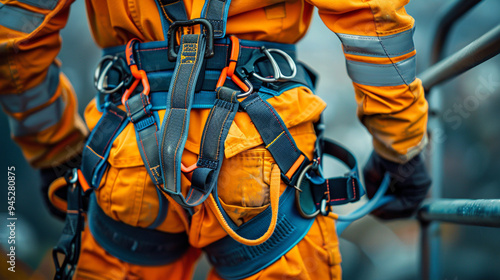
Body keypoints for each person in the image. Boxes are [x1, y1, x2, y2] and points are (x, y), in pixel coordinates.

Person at [0, 0, 431, 279]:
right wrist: (401, 149)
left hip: (126, 150)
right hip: (265, 151)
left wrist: (55, 146)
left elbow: (14, 39)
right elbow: (373, 17)